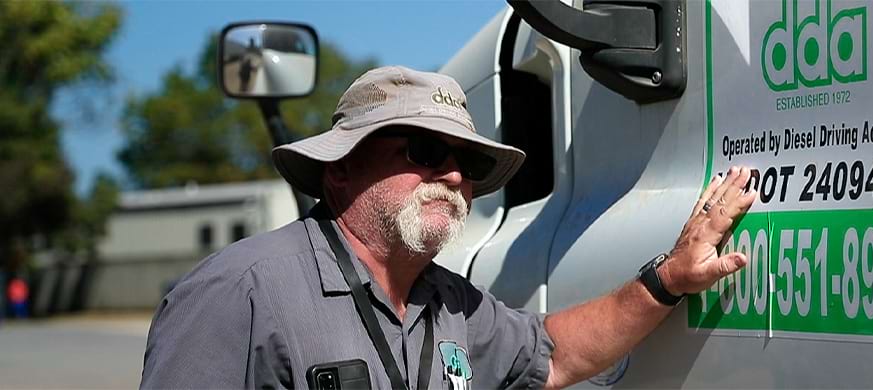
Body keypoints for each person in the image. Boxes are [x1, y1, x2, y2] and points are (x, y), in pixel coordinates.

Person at [141, 66, 756, 389]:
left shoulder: (451, 302)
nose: (456, 176)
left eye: (468, 162)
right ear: (342, 171)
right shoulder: (238, 294)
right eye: (425, 154)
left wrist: (670, 277)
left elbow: (555, 357)